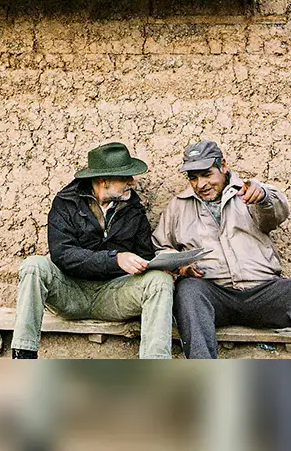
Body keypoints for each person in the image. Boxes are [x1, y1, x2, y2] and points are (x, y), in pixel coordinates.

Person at [153, 140, 291, 359]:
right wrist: (180, 266)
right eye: (193, 178)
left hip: (264, 293)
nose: (200, 184)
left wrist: (263, 197)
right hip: (215, 296)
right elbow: (161, 247)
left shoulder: (249, 192)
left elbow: (276, 214)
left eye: (207, 175)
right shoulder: (178, 206)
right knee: (188, 291)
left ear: (223, 165)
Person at [11, 142, 176, 359]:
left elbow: (144, 256)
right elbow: (62, 255)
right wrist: (115, 259)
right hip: (70, 292)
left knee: (160, 281)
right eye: (125, 177)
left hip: (113, 295)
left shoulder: (134, 210)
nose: (132, 182)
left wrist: (159, 266)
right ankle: (23, 356)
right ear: (103, 180)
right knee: (34, 265)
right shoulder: (66, 203)